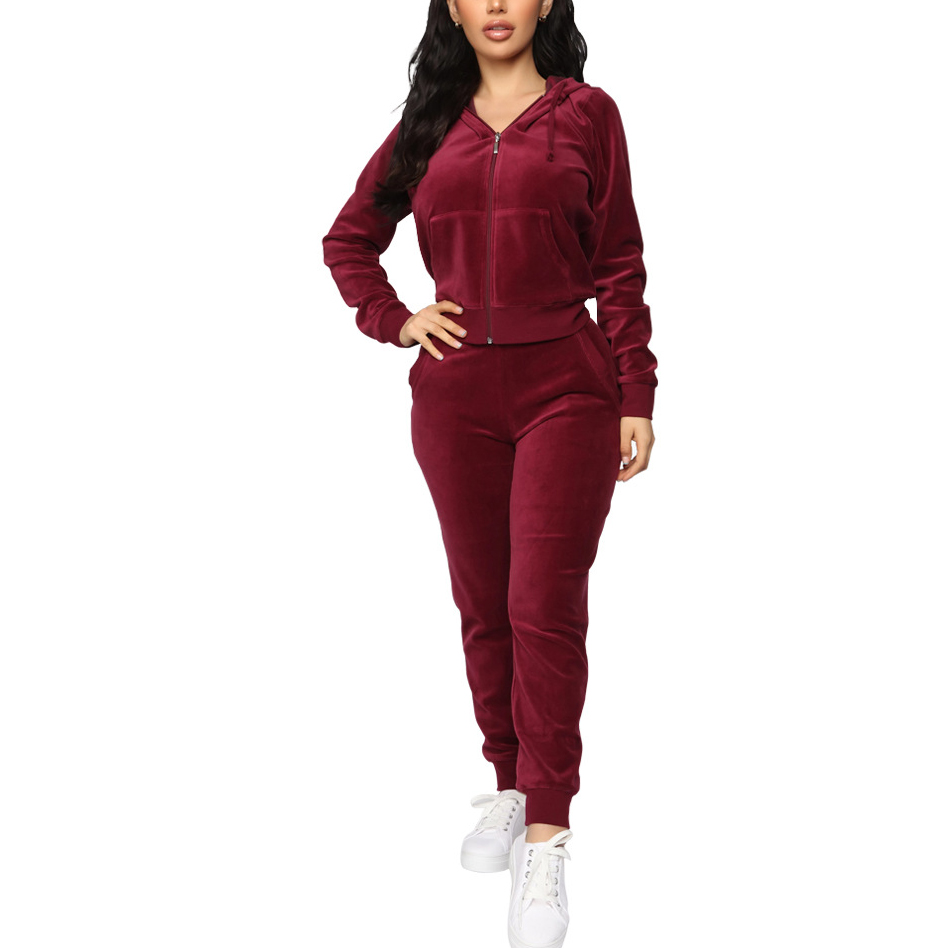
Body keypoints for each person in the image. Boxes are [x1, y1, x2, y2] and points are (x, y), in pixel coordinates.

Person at [322, 2, 658, 945]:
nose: (498, 4)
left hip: (567, 386)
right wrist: (396, 319)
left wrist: (636, 390)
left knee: (541, 603)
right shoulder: (429, 121)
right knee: (484, 602)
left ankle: (547, 833)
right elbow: (348, 240)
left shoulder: (587, 114)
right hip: (456, 396)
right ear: (453, 7)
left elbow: (620, 263)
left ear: (548, 1)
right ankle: (509, 783)